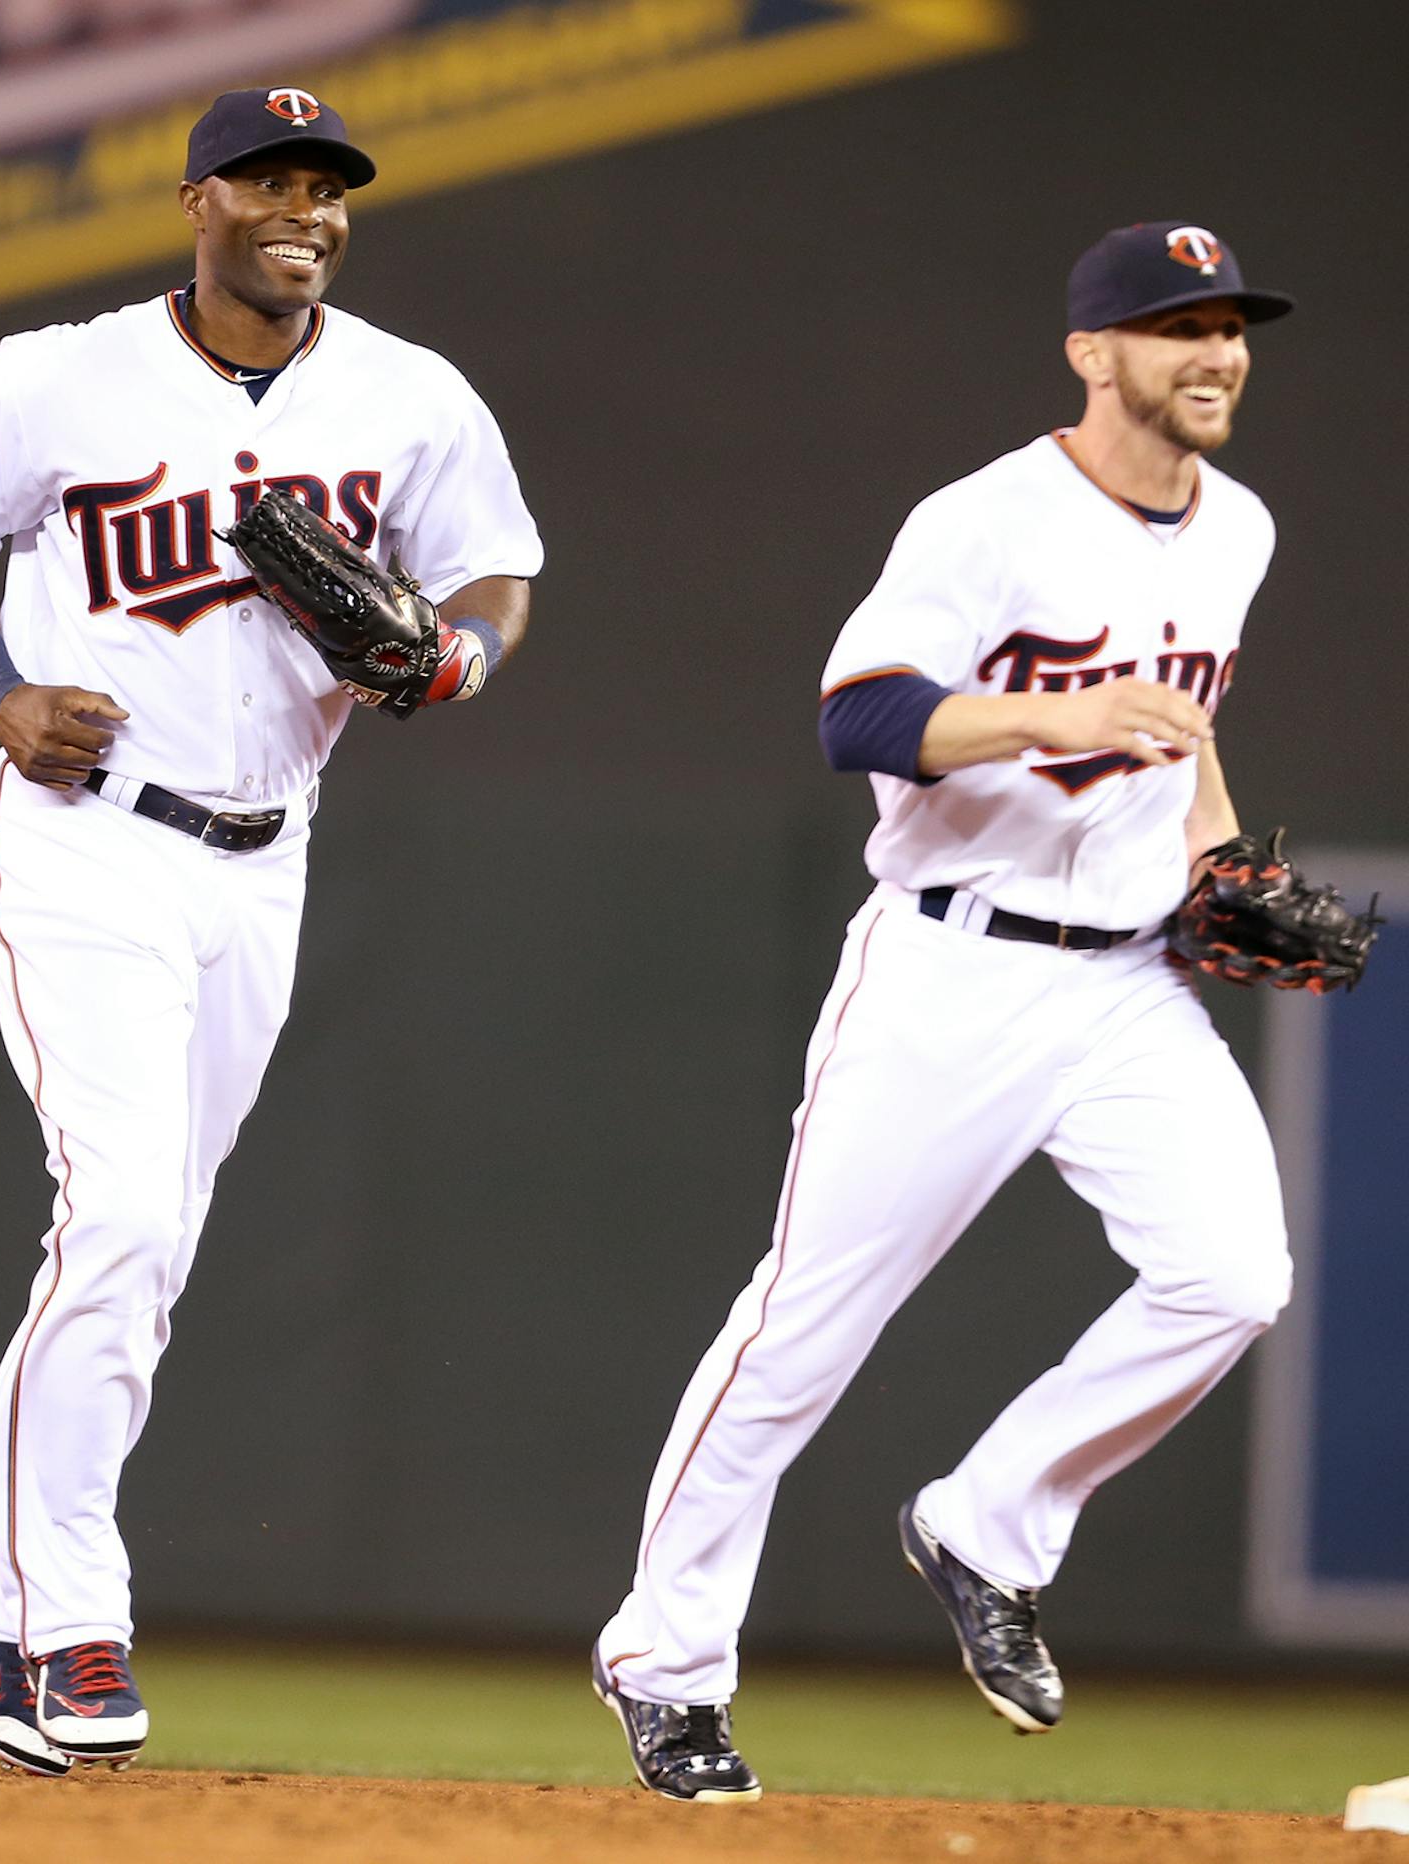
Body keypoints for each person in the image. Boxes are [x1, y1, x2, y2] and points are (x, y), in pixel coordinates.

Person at [593, 222, 1297, 1801]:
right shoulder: (987, 517)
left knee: (1233, 1276)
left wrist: (1217, 853)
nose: (1218, 354)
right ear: (1092, 353)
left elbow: (1188, 745)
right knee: (797, 1338)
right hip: (949, 967)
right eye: (1180, 328)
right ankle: (667, 1667)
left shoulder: (1239, 528)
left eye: (1233, 328)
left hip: (1128, 979)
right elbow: (863, 715)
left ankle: (987, 1526)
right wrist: (1062, 715)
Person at [0, 86, 542, 1775]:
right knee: (111, 1215)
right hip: (86, 839)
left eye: (327, 186)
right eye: (270, 178)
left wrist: (457, 659)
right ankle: (64, 1618)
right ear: (199, 200)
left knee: (152, 1246)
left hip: (265, 857)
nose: (304, 207)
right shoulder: (64, 373)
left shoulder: (412, 393)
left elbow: (492, 580)